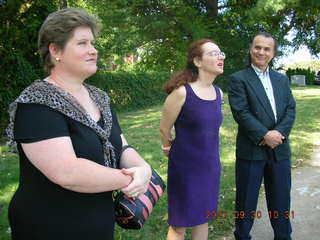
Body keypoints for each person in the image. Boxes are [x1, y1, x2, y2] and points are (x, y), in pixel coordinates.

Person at [6, 8, 151, 240]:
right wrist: (131, 179)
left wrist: (144, 169)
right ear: (55, 50)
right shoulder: (37, 103)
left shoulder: (99, 98)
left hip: (98, 222)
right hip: (49, 226)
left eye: (93, 43)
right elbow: (68, 172)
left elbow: (122, 146)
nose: (93, 50)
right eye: (82, 43)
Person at [228, 32, 296, 240]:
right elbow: (241, 112)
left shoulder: (281, 80)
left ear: (273, 53)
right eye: (257, 47)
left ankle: (283, 236)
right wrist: (265, 135)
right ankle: (242, 236)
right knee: (246, 202)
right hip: (252, 149)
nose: (261, 52)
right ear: (251, 49)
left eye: (267, 49)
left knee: (281, 200)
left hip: (280, 149)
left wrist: (279, 133)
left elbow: (290, 109)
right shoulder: (238, 79)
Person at [160, 39, 225, 240]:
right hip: (186, 168)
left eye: (221, 52)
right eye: (214, 53)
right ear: (197, 61)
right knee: (179, 224)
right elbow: (164, 128)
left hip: (210, 165)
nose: (220, 56)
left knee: (203, 217)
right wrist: (167, 146)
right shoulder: (181, 93)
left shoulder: (219, 93)